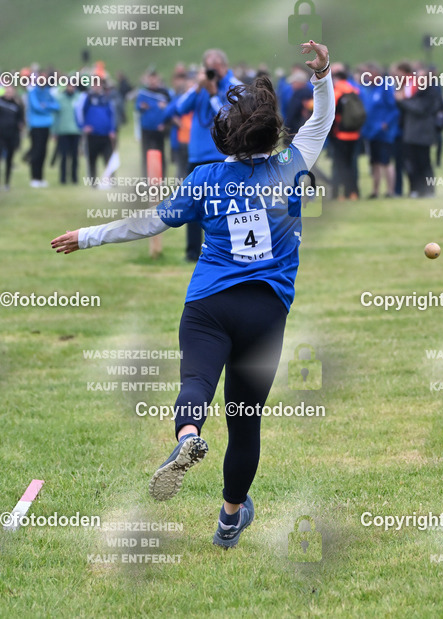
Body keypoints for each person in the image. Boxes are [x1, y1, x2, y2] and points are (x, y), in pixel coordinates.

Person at [51, 41, 334, 549]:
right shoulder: (293, 165)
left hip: (207, 305)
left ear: (225, 135)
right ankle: (229, 518)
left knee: (197, 380)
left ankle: (186, 438)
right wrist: (322, 74)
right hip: (265, 312)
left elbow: (149, 221)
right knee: (245, 421)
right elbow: (321, 122)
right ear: (272, 130)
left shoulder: (206, 178)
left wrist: (88, 235)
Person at [172, 49, 242, 262]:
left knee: (226, 205)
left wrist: (213, 93)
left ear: (224, 66)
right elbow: (180, 107)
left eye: (216, 67)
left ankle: (228, 250)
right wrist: (198, 87)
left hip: (222, 155)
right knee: (192, 205)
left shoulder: (234, 85)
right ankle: (192, 252)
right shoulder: (199, 87)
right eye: (209, 67)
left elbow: (227, 116)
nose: (213, 72)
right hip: (196, 156)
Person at [396, 64, 439, 197]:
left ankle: (429, 190)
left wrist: (402, 101)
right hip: (411, 132)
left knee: (424, 162)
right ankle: (415, 189)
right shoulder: (414, 90)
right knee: (412, 163)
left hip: (423, 133)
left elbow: (419, 108)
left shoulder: (431, 91)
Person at [360, 64, 398, 198]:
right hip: (371, 131)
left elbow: (394, 109)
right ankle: (375, 190)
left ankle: (390, 190)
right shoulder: (369, 89)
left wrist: (385, 123)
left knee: (385, 161)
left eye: (367, 73)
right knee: (374, 161)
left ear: (375, 73)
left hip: (383, 132)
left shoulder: (385, 87)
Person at [75, 81, 117, 182]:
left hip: (106, 134)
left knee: (108, 159)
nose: (96, 86)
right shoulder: (87, 97)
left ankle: (111, 181)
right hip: (92, 134)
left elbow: (112, 115)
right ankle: (93, 181)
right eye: (94, 84)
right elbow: (78, 111)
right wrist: (83, 126)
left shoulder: (106, 98)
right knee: (92, 159)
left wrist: (112, 130)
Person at [331, 70, 363, 200]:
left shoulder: (337, 92)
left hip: (340, 134)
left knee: (340, 164)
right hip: (354, 134)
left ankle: (339, 194)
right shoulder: (354, 91)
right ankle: (353, 192)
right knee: (351, 164)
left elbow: (330, 113)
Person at [0, 84, 25, 191]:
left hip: (12, 135)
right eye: (7, 91)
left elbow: (20, 119)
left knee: (9, 159)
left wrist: (20, 125)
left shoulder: (17, 105)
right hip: (0, 135)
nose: (9, 93)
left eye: (11, 91)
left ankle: (7, 183)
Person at [136, 70, 172, 177]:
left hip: (159, 128)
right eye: (150, 79)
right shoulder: (143, 92)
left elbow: (171, 108)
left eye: (154, 78)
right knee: (145, 153)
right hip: (146, 128)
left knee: (160, 153)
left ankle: (161, 177)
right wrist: (142, 106)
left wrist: (165, 123)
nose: (152, 81)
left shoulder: (164, 93)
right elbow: (138, 106)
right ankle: (146, 177)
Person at [26, 72, 59, 187]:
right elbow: (37, 107)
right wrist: (47, 107)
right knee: (36, 151)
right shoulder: (32, 92)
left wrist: (46, 106)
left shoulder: (47, 92)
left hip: (46, 125)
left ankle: (41, 178)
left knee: (44, 152)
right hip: (36, 126)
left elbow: (56, 106)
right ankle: (34, 177)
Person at [54, 79, 82, 185]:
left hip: (75, 131)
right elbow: (56, 115)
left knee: (75, 156)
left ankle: (74, 178)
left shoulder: (79, 98)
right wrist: (54, 130)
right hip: (63, 130)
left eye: (72, 86)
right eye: (69, 86)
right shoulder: (60, 98)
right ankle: (63, 178)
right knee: (64, 156)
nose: (71, 88)